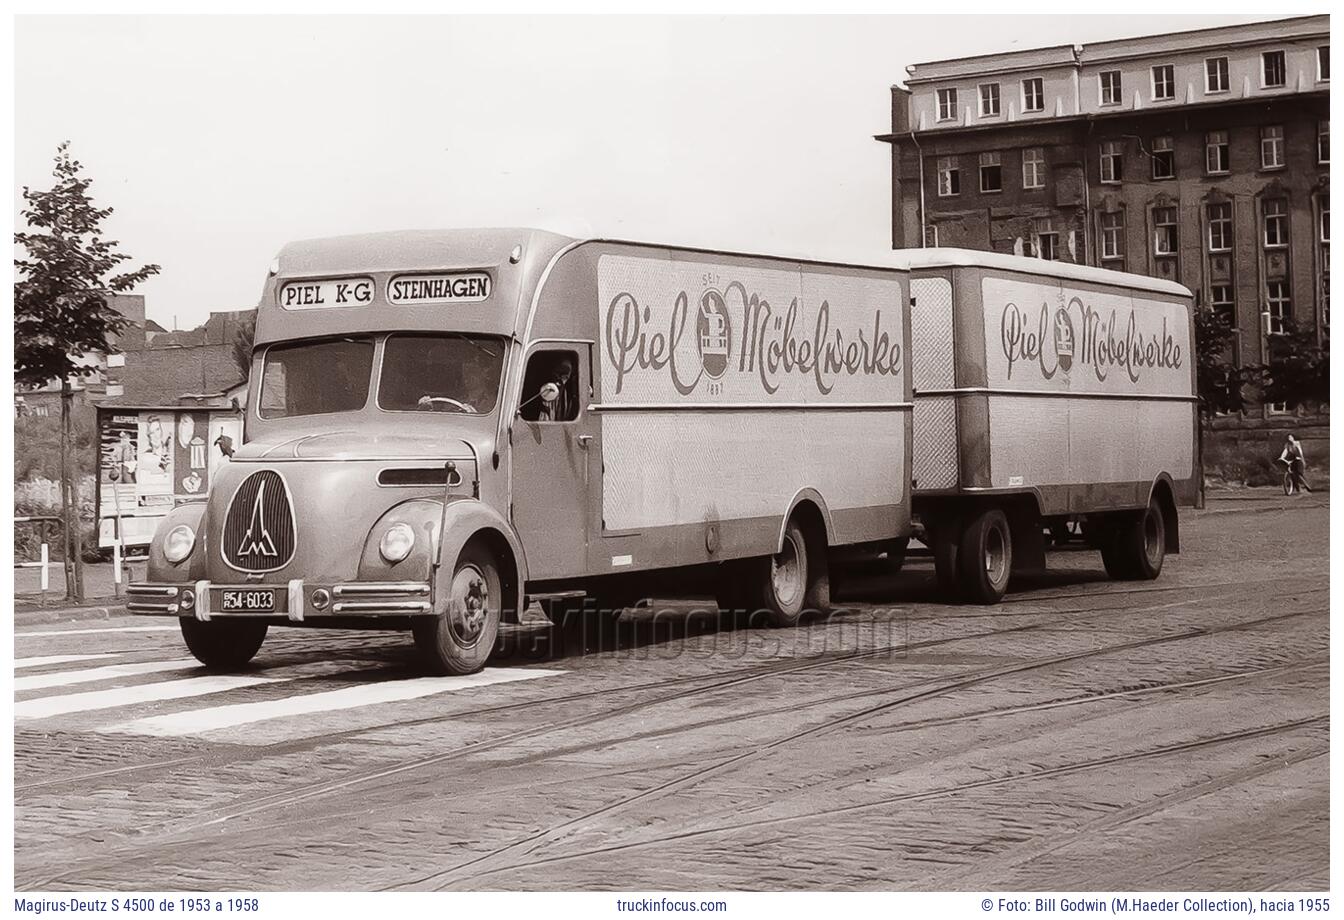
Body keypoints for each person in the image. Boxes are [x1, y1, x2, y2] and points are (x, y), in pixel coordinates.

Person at [538, 356, 576, 422]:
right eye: (558, 373)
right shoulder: (547, 391)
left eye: (565, 374)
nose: (561, 378)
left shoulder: (571, 393)